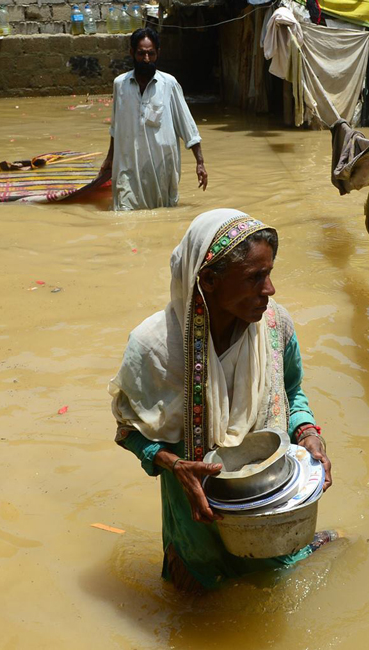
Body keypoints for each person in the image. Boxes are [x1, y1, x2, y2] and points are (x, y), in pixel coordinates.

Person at [109, 209, 334, 593]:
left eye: (269, 273)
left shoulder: (275, 326)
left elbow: (293, 391)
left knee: (276, 591)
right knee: (199, 611)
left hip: (266, 504)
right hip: (195, 520)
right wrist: (176, 464)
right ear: (208, 280)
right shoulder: (155, 348)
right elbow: (128, 432)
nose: (270, 290)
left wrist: (308, 432)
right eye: (254, 278)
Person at [100, 27, 208, 211]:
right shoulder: (120, 84)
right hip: (128, 165)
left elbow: (187, 125)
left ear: (158, 53)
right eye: (141, 54)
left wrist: (200, 162)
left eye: (151, 53)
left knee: (162, 212)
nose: (146, 59)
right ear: (132, 53)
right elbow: (116, 126)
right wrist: (110, 159)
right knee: (125, 214)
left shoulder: (169, 84)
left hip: (161, 168)